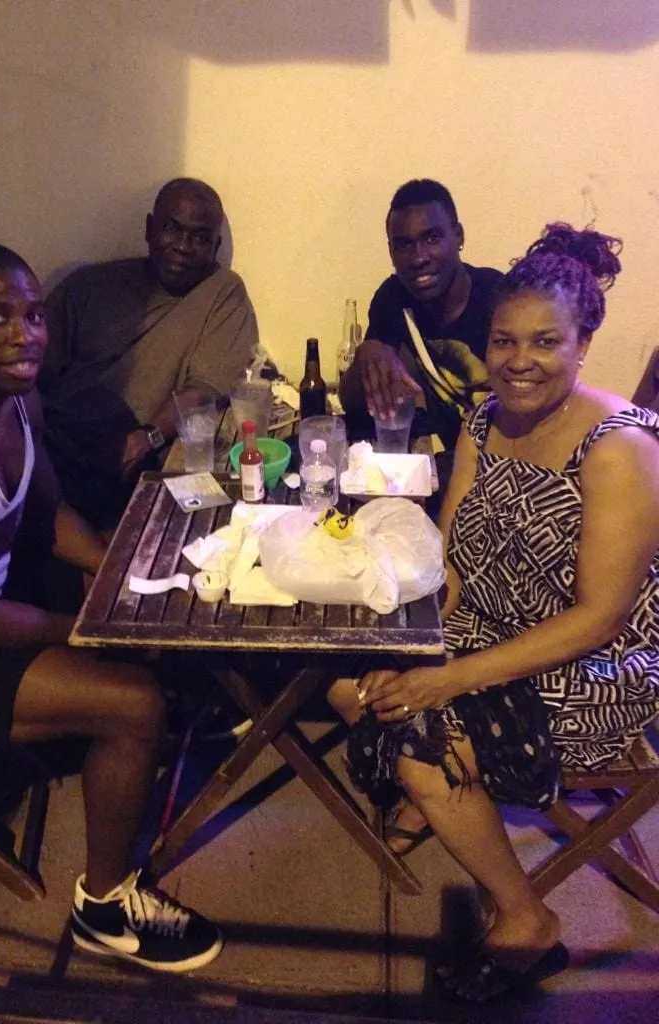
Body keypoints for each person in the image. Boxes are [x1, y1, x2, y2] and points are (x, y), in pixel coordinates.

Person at [329, 223, 659, 1001]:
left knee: (419, 737)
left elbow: (602, 617)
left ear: (583, 342)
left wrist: (447, 682)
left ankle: (526, 921)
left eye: (546, 342)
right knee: (351, 682)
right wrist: (405, 639)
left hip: (593, 663)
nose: (519, 361)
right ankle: (436, 794)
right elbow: (445, 559)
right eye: (505, 341)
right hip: (490, 625)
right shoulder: (482, 422)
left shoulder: (622, 449)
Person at [0, 242, 223, 973]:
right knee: (133, 702)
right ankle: (105, 907)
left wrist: (122, 571)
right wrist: (87, 627)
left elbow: (46, 516)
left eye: (34, 315)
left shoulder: (20, 401)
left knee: (154, 618)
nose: (24, 334)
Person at [39, 177, 259, 529]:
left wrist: (149, 437)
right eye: (172, 229)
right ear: (149, 229)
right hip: (53, 448)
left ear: (215, 246)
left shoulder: (221, 292)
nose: (184, 246)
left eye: (200, 238)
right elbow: (33, 374)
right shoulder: (88, 285)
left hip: (126, 459)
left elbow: (202, 390)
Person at [339, 179, 503, 494]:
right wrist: (368, 354)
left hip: (510, 472)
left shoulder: (499, 300)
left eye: (432, 238)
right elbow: (353, 405)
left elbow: (535, 424)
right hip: (458, 466)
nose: (418, 258)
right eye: (403, 244)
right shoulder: (394, 299)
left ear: (459, 236)